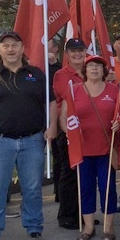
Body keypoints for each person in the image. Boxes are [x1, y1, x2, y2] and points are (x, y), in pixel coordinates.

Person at [0, 31, 57, 240]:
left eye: (15, 45)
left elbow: (51, 102)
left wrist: (52, 126)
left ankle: (34, 228)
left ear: (22, 48)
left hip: (32, 141)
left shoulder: (36, 74)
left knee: (32, 189)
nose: (10, 49)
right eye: (6, 45)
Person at [60, 55, 120, 240]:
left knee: (107, 188)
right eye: (91, 66)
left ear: (104, 71)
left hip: (105, 149)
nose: (94, 69)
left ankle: (108, 227)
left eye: (98, 66)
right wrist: (70, 133)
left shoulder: (114, 90)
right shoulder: (74, 90)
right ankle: (88, 227)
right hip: (83, 150)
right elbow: (64, 117)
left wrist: (118, 124)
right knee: (85, 188)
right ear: (85, 71)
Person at [52, 37, 87, 228]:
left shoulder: (90, 70)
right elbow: (71, 96)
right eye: (73, 51)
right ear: (67, 54)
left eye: (80, 50)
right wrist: (95, 82)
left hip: (88, 130)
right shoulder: (62, 74)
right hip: (68, 130)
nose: (77, 54)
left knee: (84, 175)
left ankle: (83, 214)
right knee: (70, 175)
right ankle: (66, 215)